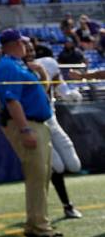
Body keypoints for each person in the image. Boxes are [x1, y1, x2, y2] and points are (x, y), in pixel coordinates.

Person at [0, 29, 56, 237]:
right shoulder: (8, 66)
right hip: (27, 123)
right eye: (23, 42)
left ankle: (35, 224)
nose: (27, 46)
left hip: (37, 122)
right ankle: (40, 228)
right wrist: (24, 130)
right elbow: (12, 101)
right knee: (37, 176)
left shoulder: (16, 64)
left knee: (42, 175)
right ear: (16, 43)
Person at [28, 43, 83, 220]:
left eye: (30, 50)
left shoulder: (48, 63)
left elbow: (62, 89)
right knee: (56, 167)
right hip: (35, 122)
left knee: (74, 165)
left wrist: (71, 94)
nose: (28, 53)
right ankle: (66, 206)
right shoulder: (17, 70)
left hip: (51, 117)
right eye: (26, 50)